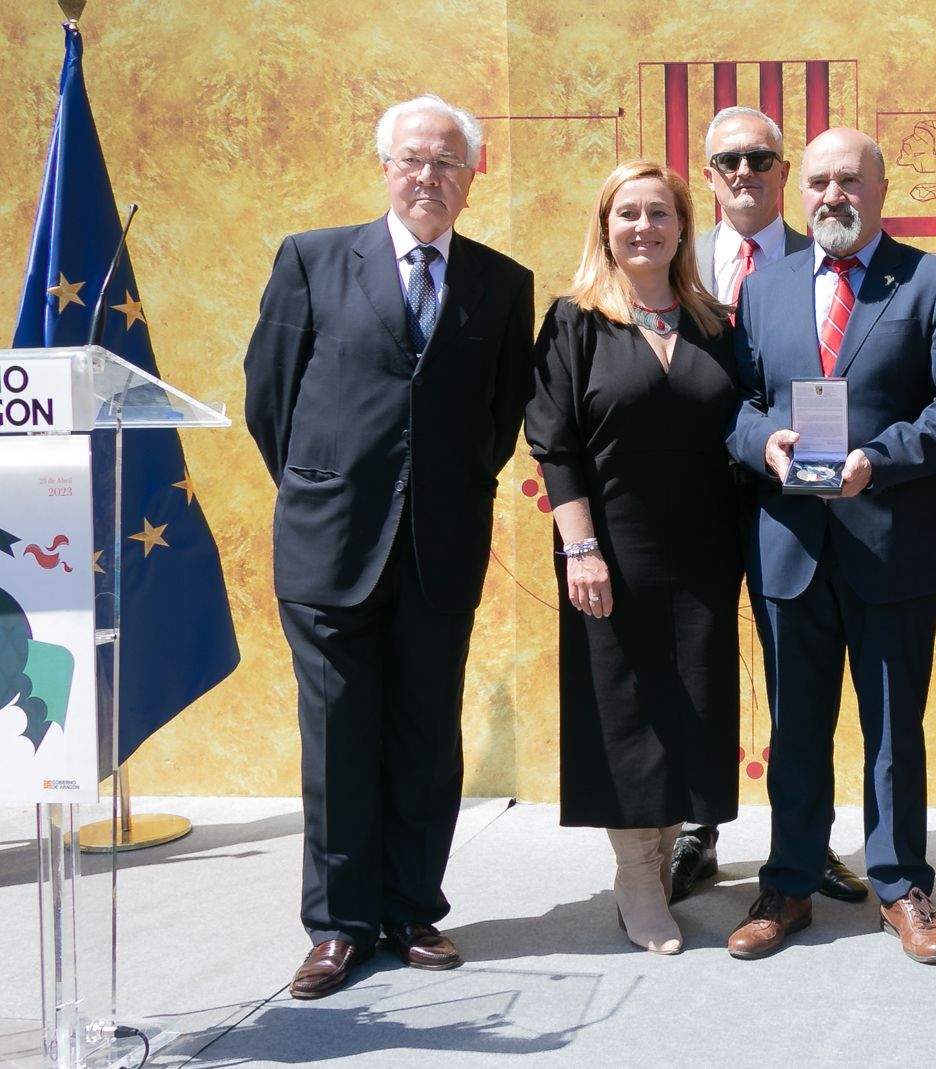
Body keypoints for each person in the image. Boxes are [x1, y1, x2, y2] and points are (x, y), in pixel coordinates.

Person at [243, 94, 534, 999]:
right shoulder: (314, 258)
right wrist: (328, 486)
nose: (428, 177)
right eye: (413, 159)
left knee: (423, 737)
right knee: (335, 738)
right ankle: (337, 925)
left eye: (447, 163)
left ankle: (411, 909)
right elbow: (270, 398)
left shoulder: (502, 282)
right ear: (384, 166)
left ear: (472, 175)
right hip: (329, 545)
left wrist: (441, 493)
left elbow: (498, 419)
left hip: (438, 547)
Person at [724, 127, 936, 965]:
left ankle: (901, 883)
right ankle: (789, 884)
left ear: (880, 191)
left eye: (849, 181)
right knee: (796, 729)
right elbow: (737, 401)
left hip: (892, 543)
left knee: (892, 730)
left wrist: (879, 460)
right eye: (817, 182)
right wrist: (764, 442)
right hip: (790, 545)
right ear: (797, 192)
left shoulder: (931, 280)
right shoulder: (762, 289)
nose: (831, 196)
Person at [522, 160, 740, 954]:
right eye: (627, 214)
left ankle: (662, 850)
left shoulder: (716, 321)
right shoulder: (576, 320)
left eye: (659, 213)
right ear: (604, 227)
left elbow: (744, 427)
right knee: (624, 712)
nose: (643, 227)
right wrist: (579, 546)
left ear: (684, 226)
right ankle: (638, 876)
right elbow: (555, 441)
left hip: (707, 553)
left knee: (692, 707)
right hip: (609, 549)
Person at [671, 106, 869, 908]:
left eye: (761, 158)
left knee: (797, 683)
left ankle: (805, 838)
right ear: (708, 177)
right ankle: (695, 827)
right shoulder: (667, 260)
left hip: (795, 510)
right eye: (728, 162)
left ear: (785, 172)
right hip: (688, 503)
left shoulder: (821, 253)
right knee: (695, 667)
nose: (745, 173)